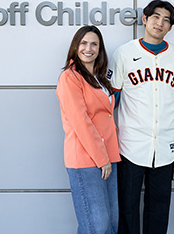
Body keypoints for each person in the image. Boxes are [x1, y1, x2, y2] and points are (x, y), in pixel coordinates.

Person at [108, 0, 174, 234]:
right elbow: (110, 100)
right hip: (131, 145)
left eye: (166, 20)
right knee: (128, 208)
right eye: (156, 17)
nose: (160, 23)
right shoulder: (124, 53)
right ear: (145, 19)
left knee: (159, 209)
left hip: (164, 147)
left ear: (170, 27)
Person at [56, 25, 120, 234]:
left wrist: (107, 158)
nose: (88, 48)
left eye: (94, 44)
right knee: (96, 225)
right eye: (83, 43)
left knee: (111, 222)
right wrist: (102, 159)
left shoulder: (100, 78)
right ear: (75, 46)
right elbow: (81, 122)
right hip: (86, 159)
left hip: (108, 158)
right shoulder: (70, 77)